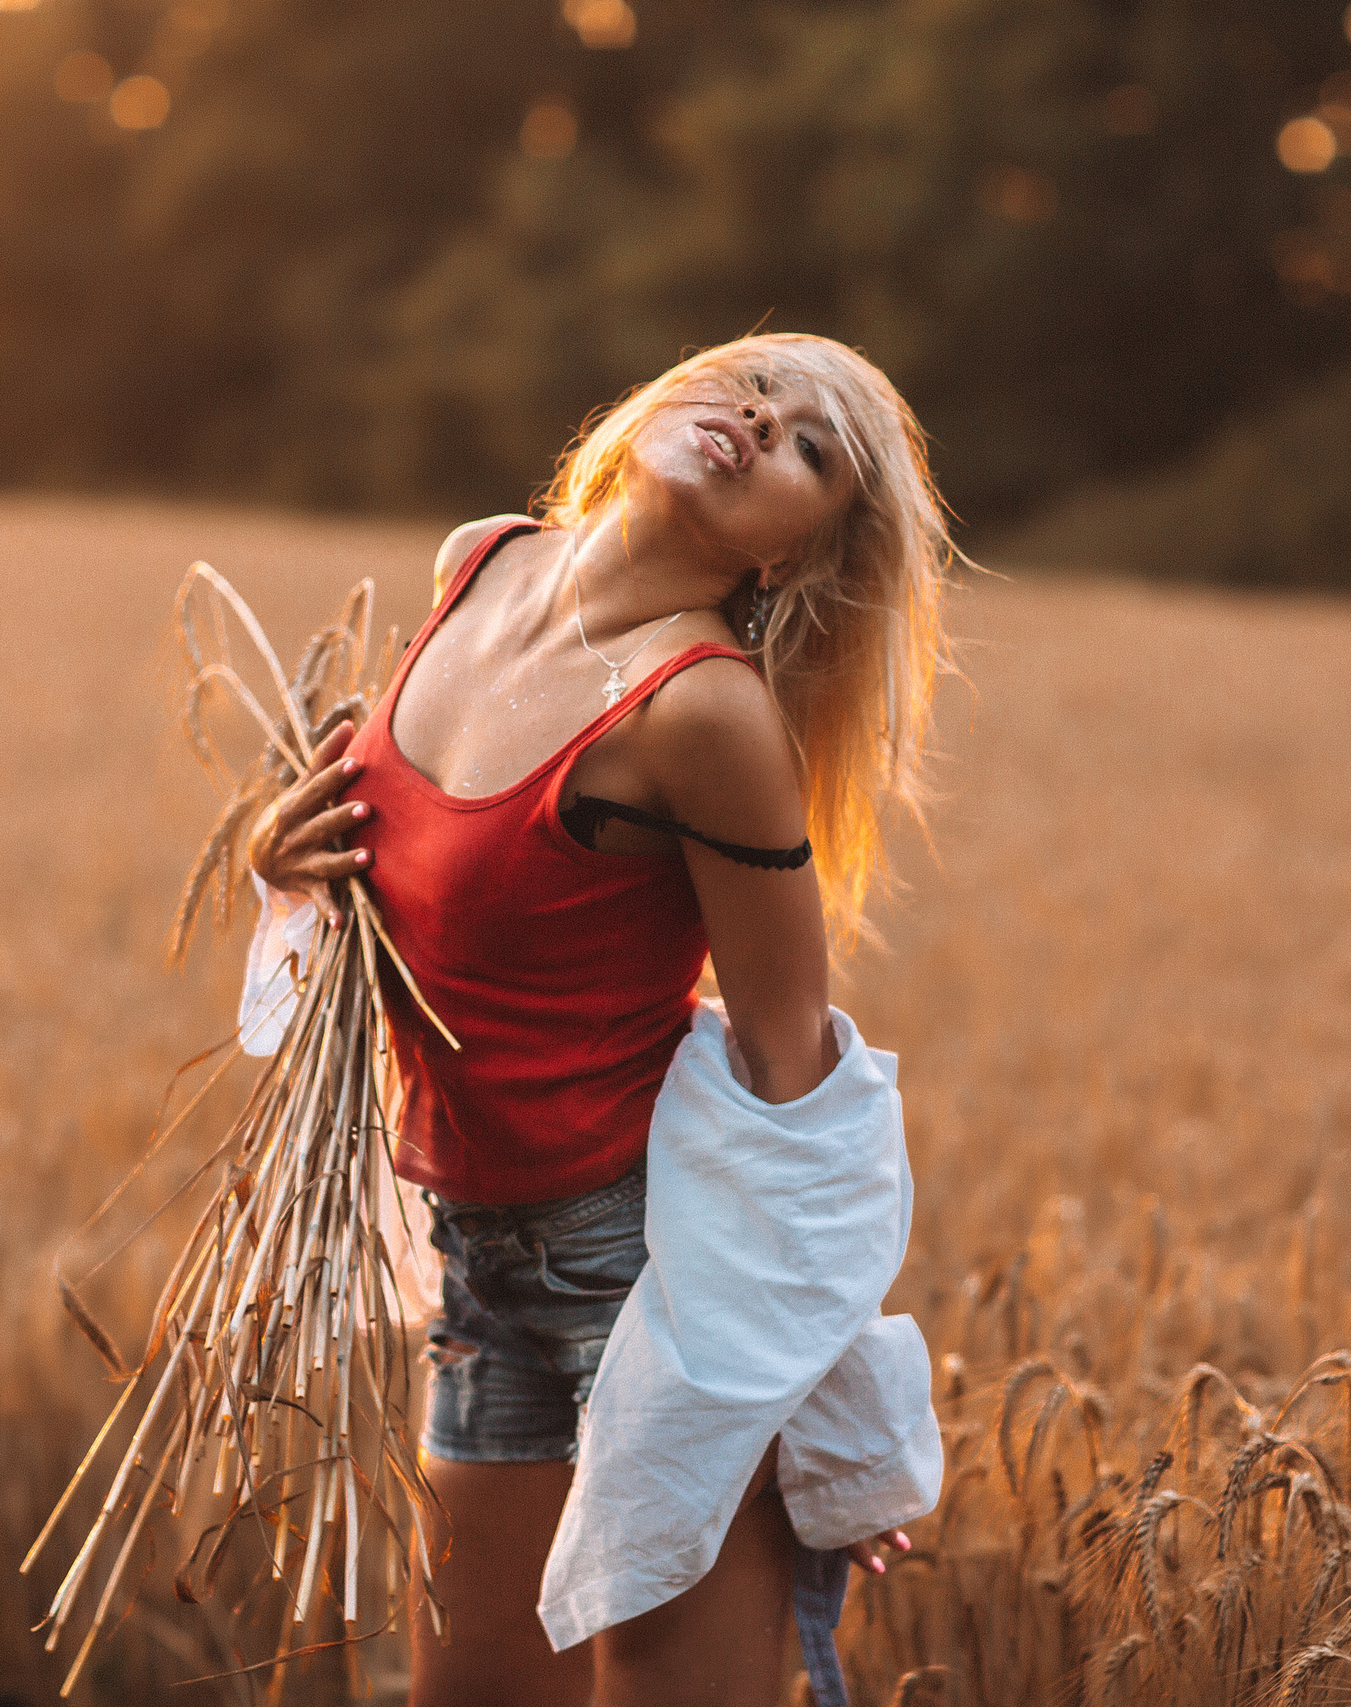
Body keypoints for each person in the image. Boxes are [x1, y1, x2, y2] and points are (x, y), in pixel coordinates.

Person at [244, 332, 952, 1707]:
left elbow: (791, 1064)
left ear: (792, 561)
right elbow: (400, 908)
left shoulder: (703, 712)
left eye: (810, 448)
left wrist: (817, 1386)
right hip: (480, 1265)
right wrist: (284, 864)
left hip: (647, 1282)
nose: (762, 421)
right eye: (756, 385)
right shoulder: (479, 563)